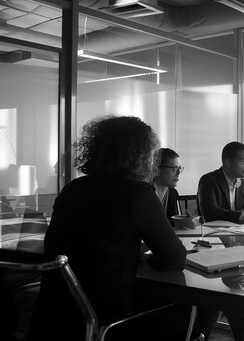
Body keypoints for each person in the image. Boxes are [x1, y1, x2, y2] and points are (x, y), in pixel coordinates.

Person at [28, 116, 191, 340]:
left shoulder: (73, 189)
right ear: (142, 155)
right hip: (109, 318)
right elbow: (174, 259)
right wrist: (145, 260)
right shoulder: (138, 193)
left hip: (55, 315)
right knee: (188, 306)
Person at [198, 141, 244, 222]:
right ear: (228, 163)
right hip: (215, 233)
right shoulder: (208, 180)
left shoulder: (243, 182)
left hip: (237, 232)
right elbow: (210, 213)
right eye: (243, 161)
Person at [153, 148, 183, 226]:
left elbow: (174, 226)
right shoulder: (145, 193)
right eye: (174, 169)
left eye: (179, 169)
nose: (178, 173)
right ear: (158, 169)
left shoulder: (172, 193)